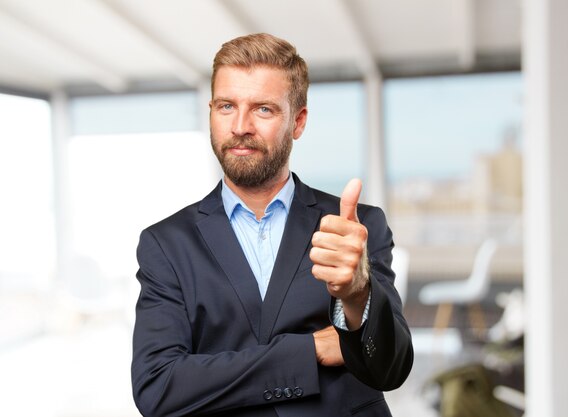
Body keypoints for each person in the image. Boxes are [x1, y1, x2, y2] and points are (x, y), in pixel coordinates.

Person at [131, 33, 413, 417]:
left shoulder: (356, 227)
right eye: (227, 106)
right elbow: (158, 388)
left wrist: (357, 294)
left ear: (298, 122)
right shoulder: (166, 244)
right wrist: (310, 349)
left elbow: (392, 368)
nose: (240, 126)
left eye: (263, 109)